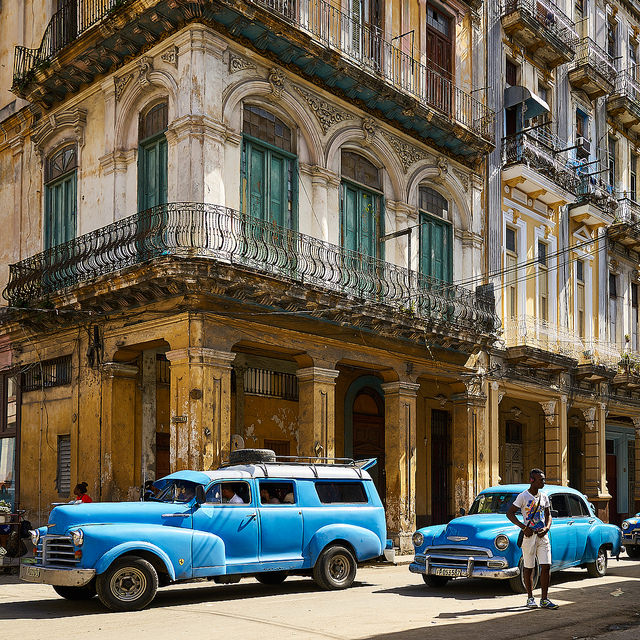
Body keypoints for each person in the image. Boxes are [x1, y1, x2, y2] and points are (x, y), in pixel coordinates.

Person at [507, 468, 558, 610]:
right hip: (529, 537)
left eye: (543, 479)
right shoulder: (523, 496)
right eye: (541, 480)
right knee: (529, 567)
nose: (543, 482)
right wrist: (524, 527)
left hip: (543, 536)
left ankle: (544, 599)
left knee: (546, 566)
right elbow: (510, 513)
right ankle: (530, 598)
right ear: (532, 480)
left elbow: (548, 515)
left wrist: (547, 528)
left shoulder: (544, 497)